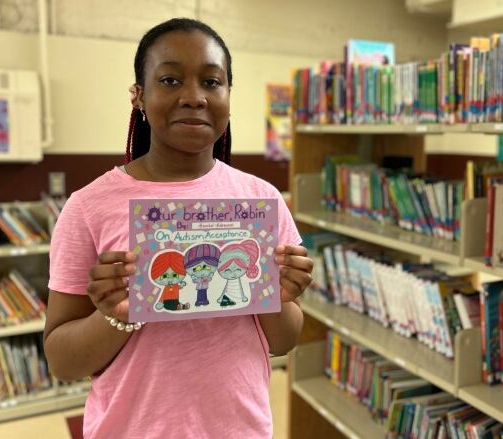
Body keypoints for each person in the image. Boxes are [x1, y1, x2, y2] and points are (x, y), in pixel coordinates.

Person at [43, 17, 313, 439]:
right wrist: (116, 315)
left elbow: (283, 342)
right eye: (169, 80)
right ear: (139, 96)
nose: (193, 97)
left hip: (241, 429)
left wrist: (277, 299)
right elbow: (62, 361)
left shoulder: (262, 200)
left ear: (227, 96)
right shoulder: (88, 207)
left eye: (212, 82)